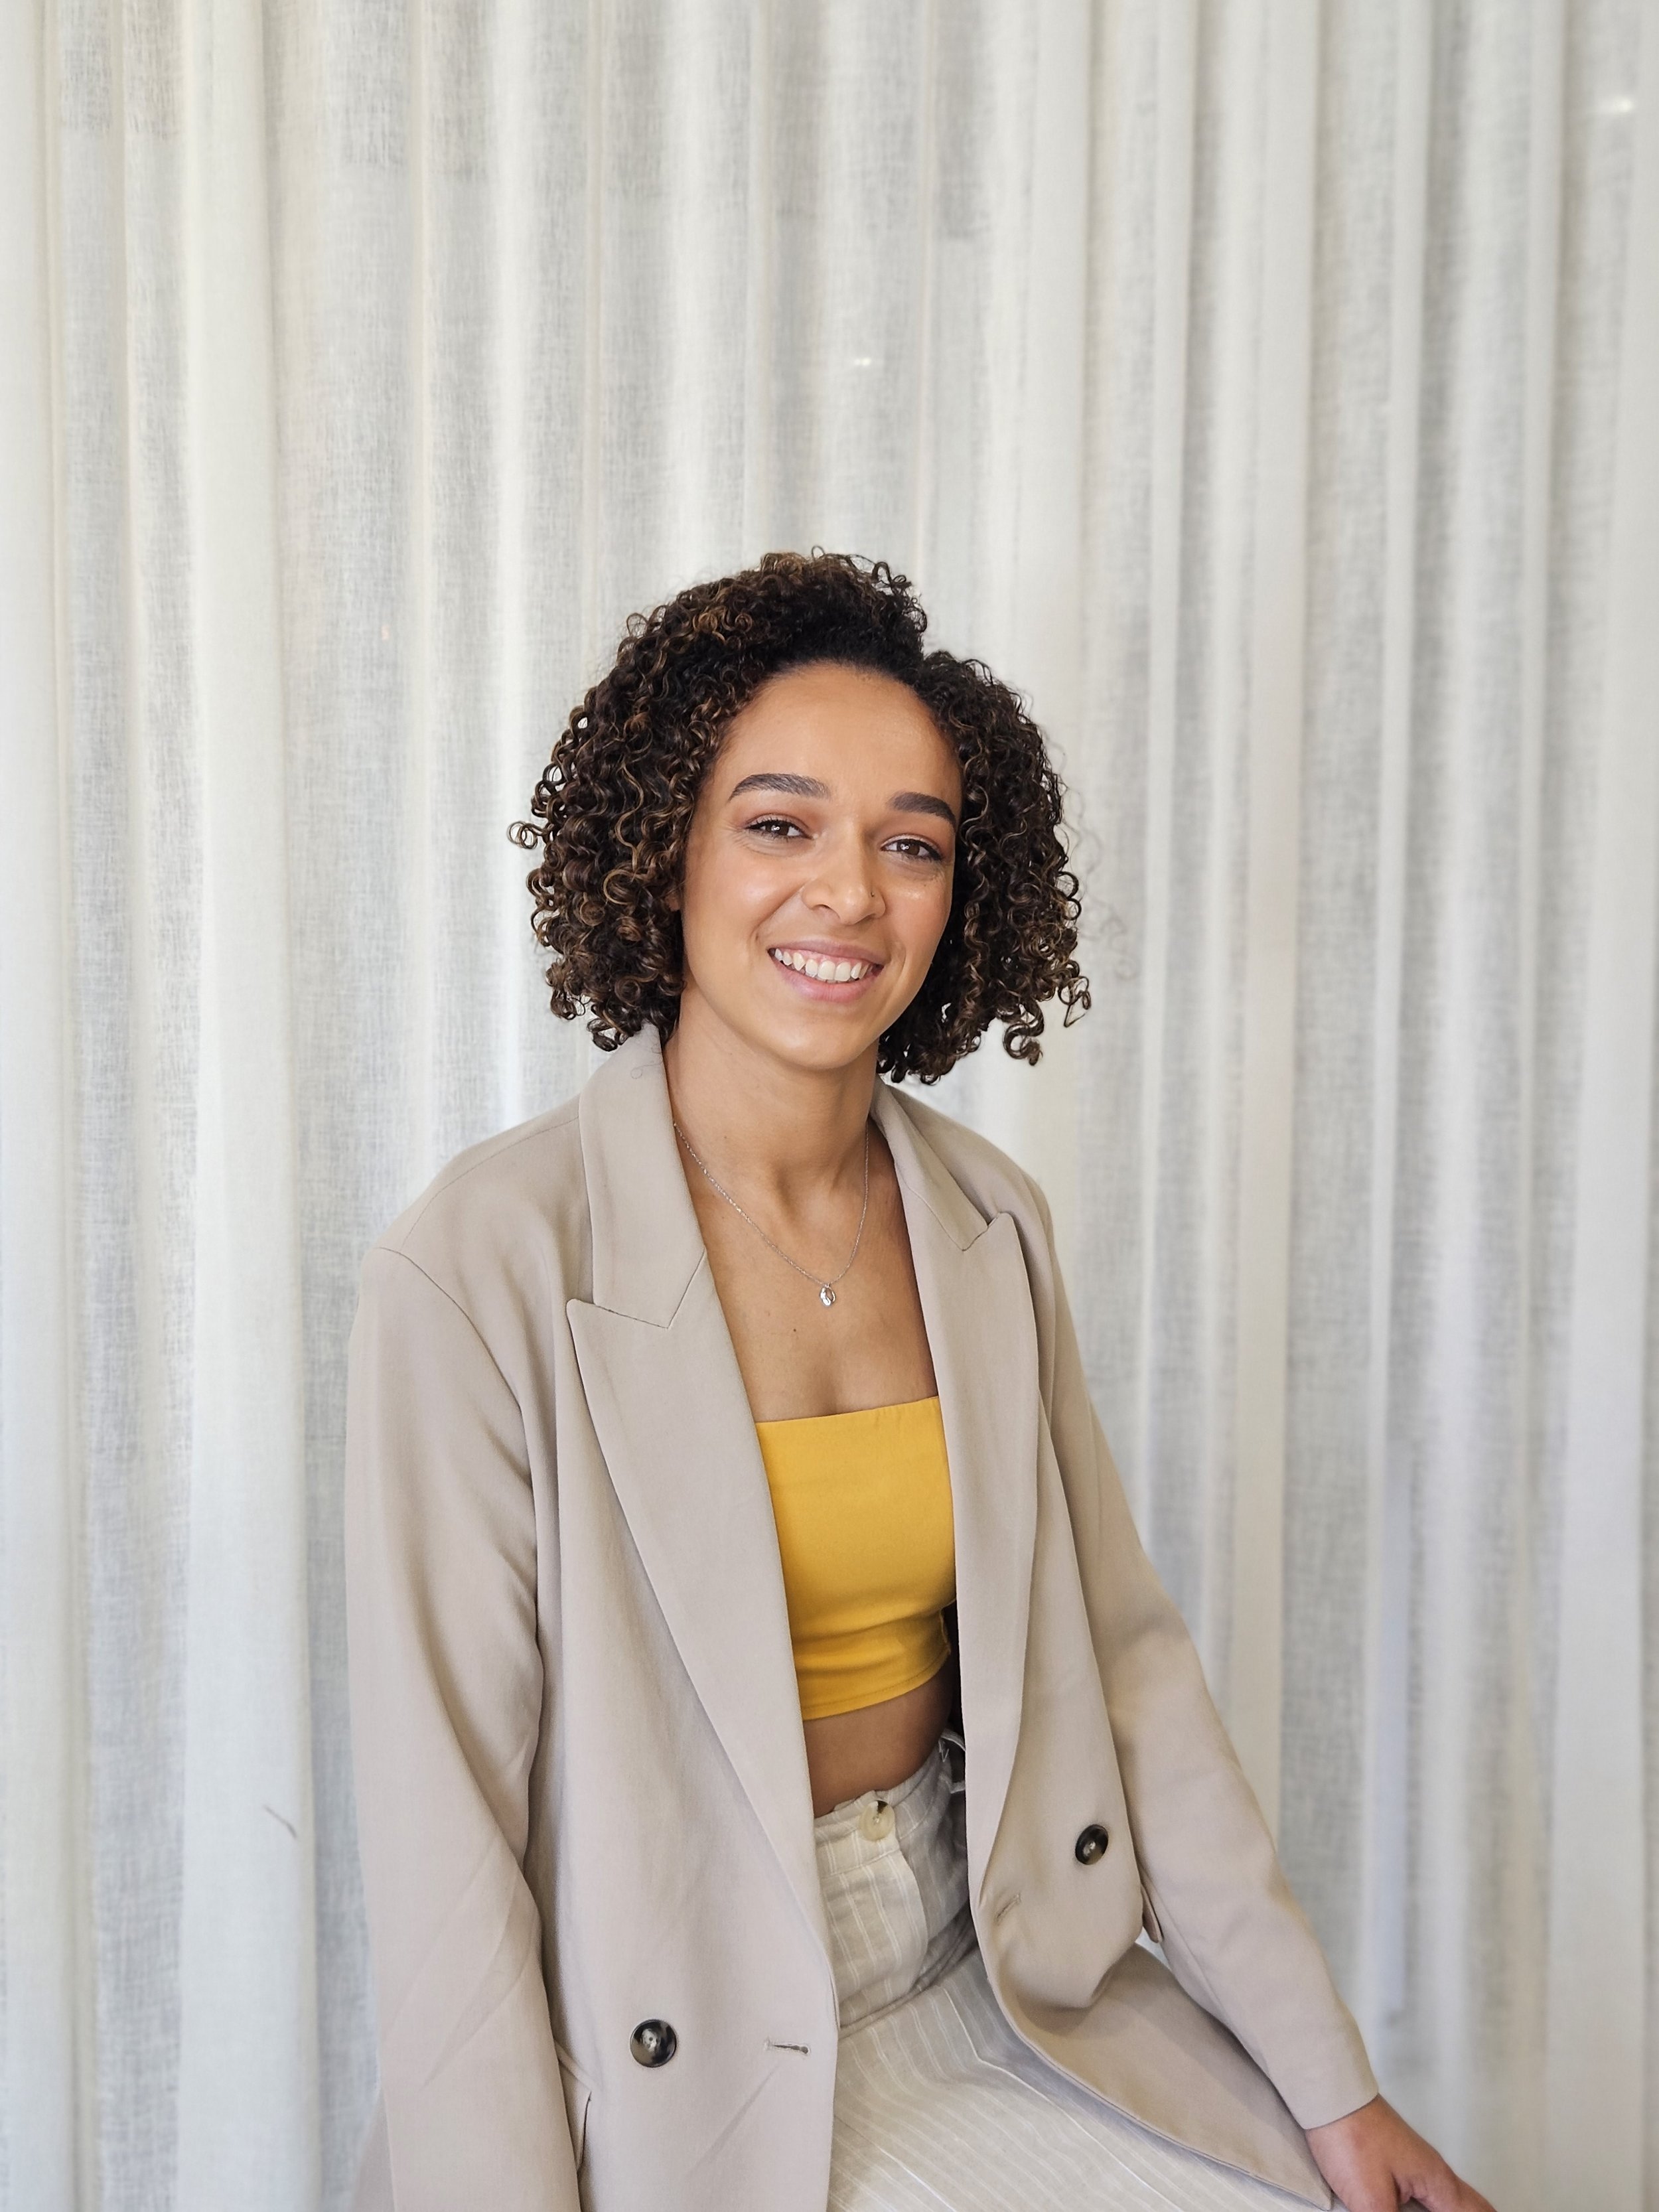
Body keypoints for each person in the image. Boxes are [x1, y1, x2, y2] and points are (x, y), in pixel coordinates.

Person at [344, 552, 1492, 2212]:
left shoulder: (985, 1221)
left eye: (911, 843)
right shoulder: (480, 1262)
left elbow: (1127, 1669)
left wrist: (1334, 2086)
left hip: (990, 1966)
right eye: (779, 824)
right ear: (662, 849)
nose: (848, 894)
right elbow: (442, 1833)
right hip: (673, 2036)